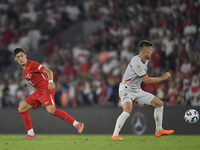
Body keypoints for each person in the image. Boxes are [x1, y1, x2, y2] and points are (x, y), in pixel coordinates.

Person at [13, 47, 84, 139]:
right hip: (38, 92)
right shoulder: (24, 71)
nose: (20, 58)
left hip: (46, 88)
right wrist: (40, 100)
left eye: (22, 56)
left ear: (25, 56)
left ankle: (77, 124)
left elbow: (48, 71)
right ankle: (30, 134)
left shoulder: (32, 64)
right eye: (18, 57)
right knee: (21, 108)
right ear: (15, 59)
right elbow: (34, 85)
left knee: (51, 110)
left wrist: (50, 81)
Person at [110, 40, 174, 140]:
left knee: (159, 104)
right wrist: (162, 78)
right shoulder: (136, 61)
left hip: (137, 90)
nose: (151, 52)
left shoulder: (146, 61)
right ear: (145, 51)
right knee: (127, 111)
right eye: (150, 50)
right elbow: (146, 81)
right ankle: (114, 135)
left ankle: (159, 131)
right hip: (126, 89)